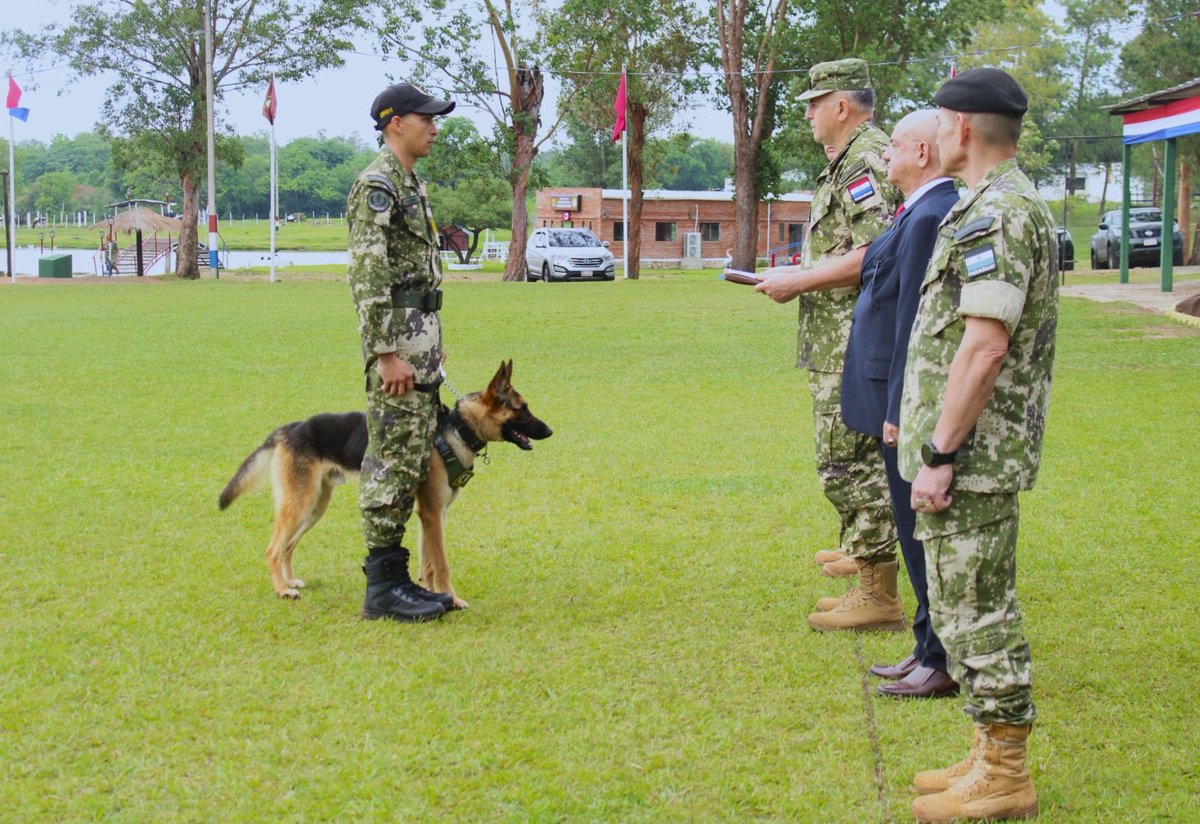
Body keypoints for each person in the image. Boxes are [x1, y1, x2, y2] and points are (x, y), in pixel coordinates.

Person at [899, 68, 1058, 821]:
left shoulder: (1001, 215)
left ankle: (1005, 772)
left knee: (978, 613)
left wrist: (939, 457)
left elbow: (984, 349)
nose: (930, 133)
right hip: (966, 454)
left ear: (961, 129)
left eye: (936, 119)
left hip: (973, 461)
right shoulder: (986, 205)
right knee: (963, 611)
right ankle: (982, 751)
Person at [755, 58, 903, 632]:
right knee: (850, 457)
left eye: (816, 103)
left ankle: (878, 591)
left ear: (841, 105)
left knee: (848, 462)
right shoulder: (848, 160)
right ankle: (865, 559)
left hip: (852, 338)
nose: (811, 114)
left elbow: (877, 253)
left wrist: (800, 280)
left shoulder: (864, 160)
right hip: (837, 335)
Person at [840, 110, 960, 699]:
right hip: (892, 391)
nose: (883, 157)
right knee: (913, 532)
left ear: (921, 153)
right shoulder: (915, 211)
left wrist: (896, 407)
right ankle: (925, 647)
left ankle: (938, 657)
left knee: (919, 534)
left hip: (904, 397)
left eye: (893, 148)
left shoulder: (932, 214)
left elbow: (915, 320)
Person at [347, 83, 457, 623]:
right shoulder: (377, 185)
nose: (434, 128)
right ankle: (383, 586)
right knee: (391, 463)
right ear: (395, 123)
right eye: (426, 119)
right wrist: (385, 353)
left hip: (422, 347)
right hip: (398, 354)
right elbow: (368, 277)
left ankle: (399, 580)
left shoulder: (409, 182)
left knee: (413, 458)